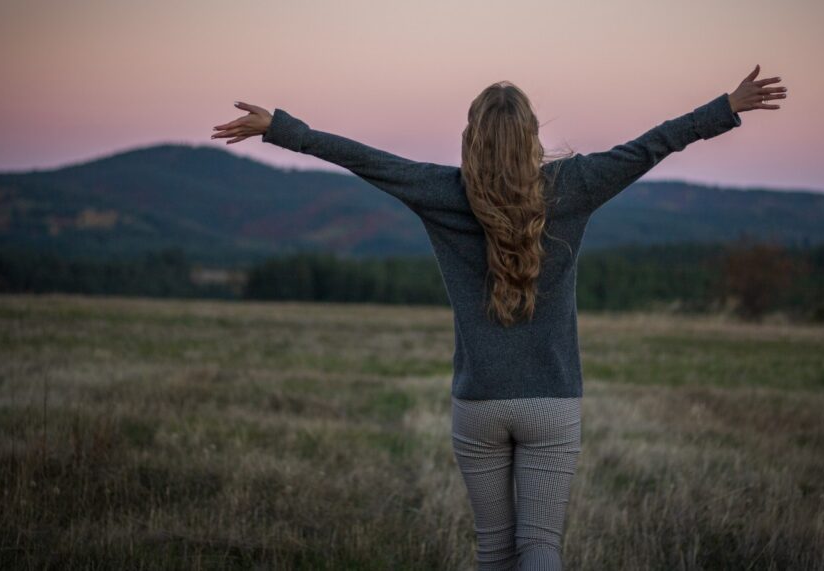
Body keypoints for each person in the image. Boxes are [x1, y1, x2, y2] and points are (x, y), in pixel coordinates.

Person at [211, 65, 787, 570]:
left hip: (478, 401)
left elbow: (364, 160)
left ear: (472, 138)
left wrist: (279, 129)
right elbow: (651, 146)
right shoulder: (575, 184)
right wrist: (725, 108)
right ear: (532, 137)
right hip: (552, 401)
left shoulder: (441, 190)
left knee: (494, 551)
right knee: (539, 546)